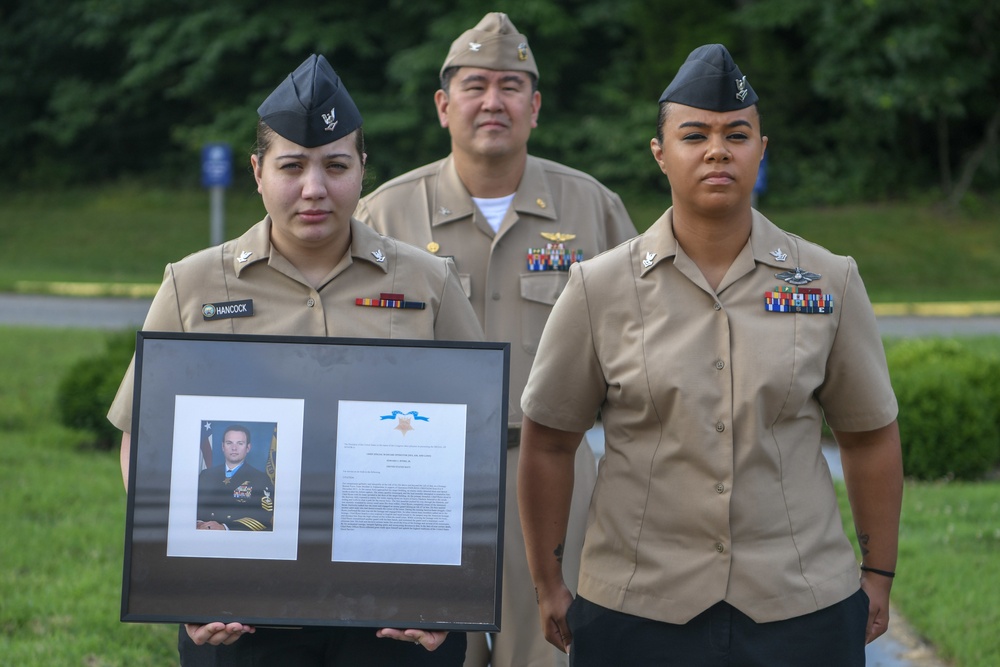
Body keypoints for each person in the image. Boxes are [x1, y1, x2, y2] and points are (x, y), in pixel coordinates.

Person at [517, 44, 904, 666]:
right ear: (659, 152)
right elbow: (550, 439)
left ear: (761, 149)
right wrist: (548, 583)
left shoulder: (829, 281)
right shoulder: (599, 287)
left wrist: (878, 573)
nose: (717, 149)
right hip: (638, 609)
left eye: (736, 134)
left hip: (799, 607)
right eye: (694, 134)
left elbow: (869, 435)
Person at [107, 53, 482, 666]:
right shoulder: (195, 286)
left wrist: (455, 589)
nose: (314, 188)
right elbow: (143, 440)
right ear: (257, 172)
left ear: (363, 170)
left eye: (336, 165)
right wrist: (181, 576)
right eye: (292, 166)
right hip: (240, 614)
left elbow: (479, 438)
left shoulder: (429, 282)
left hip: (397, 617)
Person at [355, 13, 636, 667]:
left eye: (510, 86)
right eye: (475, 85)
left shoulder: (592, 209)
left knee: (551, 653)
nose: (492, 101)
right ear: (442, 105)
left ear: (534, 107)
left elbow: (638, 359)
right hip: (414, 472)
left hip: (555, 474)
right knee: (415, 652)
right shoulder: (385, 215)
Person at [196, 425, 273, 532]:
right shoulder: (206, 475)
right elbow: (193, 506)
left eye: (240, 443)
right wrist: (198, 523)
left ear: (248, 448)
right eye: (229, 443)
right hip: (203, 536)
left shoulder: (260, 479)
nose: (234, 448)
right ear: (223, 446)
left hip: (239, 539)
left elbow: (265, 516)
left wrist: (225, 528)